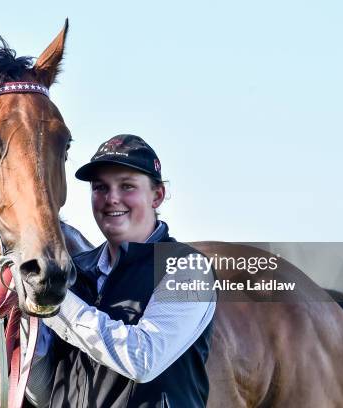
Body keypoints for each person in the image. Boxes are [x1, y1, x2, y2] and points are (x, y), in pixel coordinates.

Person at [26, 134, 217, 408]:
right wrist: (27, 321)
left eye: (127, 186)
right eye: (100, 188)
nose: (111, 199)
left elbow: (143, 360)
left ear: (157, 195)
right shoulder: (74, 273)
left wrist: (53, 301)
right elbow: (45, 393)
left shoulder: (189, 269)